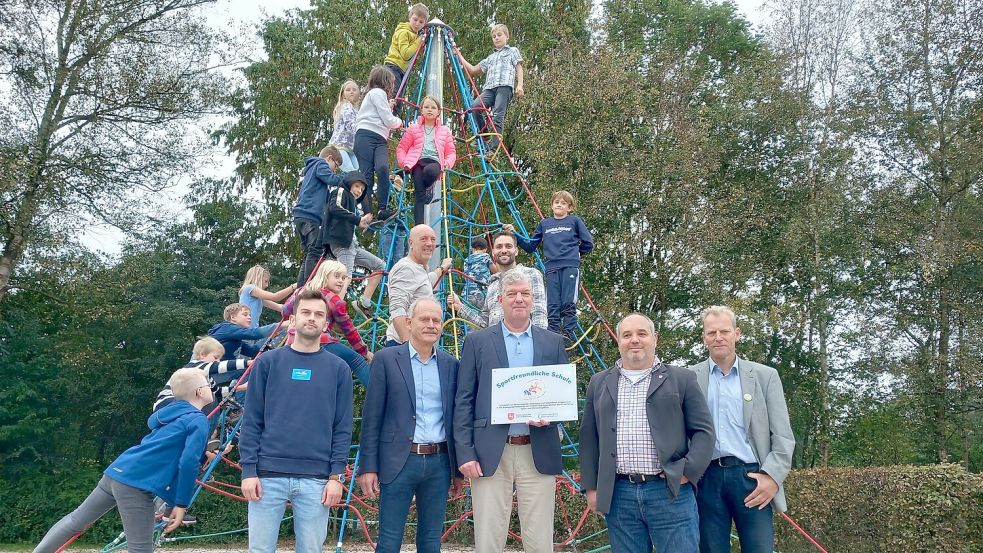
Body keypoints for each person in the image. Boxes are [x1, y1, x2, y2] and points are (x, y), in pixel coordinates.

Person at [34, 368, 212, 553]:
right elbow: (188, 462)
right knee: (140, 549)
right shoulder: (198, 419)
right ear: (199, 391)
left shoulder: (172, 415)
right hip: (136, 484)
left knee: (75, 521)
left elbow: (170, 447)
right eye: (208, 385)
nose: (211, 388)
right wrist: (181, 503)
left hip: (117, 471)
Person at [579, 313, 715, 553]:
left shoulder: (682, 379)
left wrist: (687, 471)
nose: (635, 340)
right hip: (619, 494)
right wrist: (591, 488)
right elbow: (589, 438)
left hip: (669, 492)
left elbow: (704, 432)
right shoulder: (598, 383)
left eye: (642, 334)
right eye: (627, 335)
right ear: (618, 340)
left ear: (655, 338)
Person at [453, 270, 568, 553]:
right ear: (500, 300)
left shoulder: (552, 342)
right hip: (490, 451)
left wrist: (552, 417)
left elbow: (562, 397)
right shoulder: (477, 342)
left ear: (533, 300)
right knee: (489, 539)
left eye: (525, 294)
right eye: (513, 294)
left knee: (540, 540)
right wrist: (465, 452)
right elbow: (463, 400)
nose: (519, 299)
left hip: (538, 448)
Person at [239, 289, 354, 553]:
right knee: (259, 550)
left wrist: (336, 477)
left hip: (317, 479)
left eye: (318, 314)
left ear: (326, 323)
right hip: (267, 476)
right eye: (305, 312)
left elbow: (342, 427)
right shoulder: (268, 363)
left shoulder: (339, 370)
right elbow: (252, 421)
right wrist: (249, 471)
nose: (311, 318)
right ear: (293, 318)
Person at [358, 298, 463, 553]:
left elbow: (457, 420)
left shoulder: (452, 365)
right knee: (389, 541)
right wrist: (368, 467)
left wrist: (457, 470)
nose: (430, 325)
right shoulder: (386, 359)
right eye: (424, 319)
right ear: (409, 322)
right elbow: (372, 417)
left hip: (439, 463)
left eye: (436, 320)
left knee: (430, 542)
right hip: (398, 461)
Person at [688, 306, 795, 553]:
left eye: (724, 331)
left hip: (753, 479)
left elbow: (783, 436)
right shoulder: (688, 378)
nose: (718, 337)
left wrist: (772, 478)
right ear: (704, 337)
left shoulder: (765, 376)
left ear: (737, 333)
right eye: (711, 332)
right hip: (707, 480)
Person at [504, 190, 593, 339]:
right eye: (556, 202)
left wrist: (575, 254)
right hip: (552, 267)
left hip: (569, 265)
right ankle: (553, 333)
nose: (559, 205)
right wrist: (515, 235)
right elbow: (531, 246)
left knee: (568, 301)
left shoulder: (574, 221)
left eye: (563, 203)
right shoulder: (545, 224)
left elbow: (588, 243)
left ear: (569, 208)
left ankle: (568, 332)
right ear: (551, 205)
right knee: (553, 303)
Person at [283, 260, 373, 388]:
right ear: (325, 276)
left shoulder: (302, 292)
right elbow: (349, 330)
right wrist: (364, 351)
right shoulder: (334, 300)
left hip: (294, 341)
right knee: (358, 362)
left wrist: (297, 297)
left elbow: (285, 311)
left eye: (343, 278)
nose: (341, 281)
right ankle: (379, 396)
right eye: (336, 276)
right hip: (321, 341)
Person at [448, 232, 547, 329]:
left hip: (524, 342)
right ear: (493, 253)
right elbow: (484, 324)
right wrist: (459, 306)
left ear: (516, 251)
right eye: (499, 247)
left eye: (508, 246)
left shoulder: (531, 274)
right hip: (496, 343)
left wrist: (537, 342)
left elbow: (539, 314)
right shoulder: (492, 284)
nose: (504, 250)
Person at [320, 170, 382, 313]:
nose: (359, 191)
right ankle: (335, 310)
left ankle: (364, 302)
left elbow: (351, 217)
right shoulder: (340, 190)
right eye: (357, 186)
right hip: (342, 243)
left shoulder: (352, 204)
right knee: (345, 276)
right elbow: (335, 207)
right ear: (349, 183)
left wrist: (363, 220)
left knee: (380, 266)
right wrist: (358, 219)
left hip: (351, 246)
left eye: (362, 189)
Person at [457, 23, 524, 151]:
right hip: (490, 89)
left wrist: (520, 85)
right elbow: (472, 70)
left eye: (499, 35)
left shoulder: (512, 51)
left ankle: (493, 149)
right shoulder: (490, 58)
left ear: (507, 36)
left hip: (504, 87)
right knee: (475, 107)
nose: (496, 38)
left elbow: (518, 67)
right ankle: (484, 135)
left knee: (497, 115)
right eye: (494, 36)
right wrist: (459, 55)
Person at [385, 224, 452, 347]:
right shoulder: (406, 268)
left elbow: (425, 282)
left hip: (414, 345)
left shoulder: (417, 268)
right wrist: (407, 348)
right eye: (423, 239)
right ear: (411, 243)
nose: (429, 243)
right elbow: (397, 309)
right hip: (402, 343)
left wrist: (442, 268)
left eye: (432, 239)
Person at [396, 95, 457, 224]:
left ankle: (429, 187)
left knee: (431, 172)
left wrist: (447, 163)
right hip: (416, 163)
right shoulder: (413, 128)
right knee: (419, 196)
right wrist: (404, 162)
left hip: (434, 161)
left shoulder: (444, 131)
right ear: (421, 110)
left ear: (438, 112)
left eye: (433, 107)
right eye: (427, 107)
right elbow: (402, 147)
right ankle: (419, 227)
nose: (430, 110)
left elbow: (451, 152)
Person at [354, 65, 404, 221]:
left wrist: (388, 108)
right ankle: (368, 213)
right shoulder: (377, 92)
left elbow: (381, 113)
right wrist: (400, 122)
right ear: (386, 81)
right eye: (391, 82)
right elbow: (388, 120)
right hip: (366, 135)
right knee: (367, 176)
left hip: (379, 139)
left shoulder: (376, 96)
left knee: (382, 168)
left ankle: (382, 209)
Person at [153, 337, 248, 412]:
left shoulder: (205, 378)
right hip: (167, 401)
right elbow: (219, 367)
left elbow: (218, 392)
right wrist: (247, 363)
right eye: (215, 357)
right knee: (203, 408)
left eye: (219, 359)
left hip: (174, 406)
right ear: (203, 354)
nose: (217, 361)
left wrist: (241, 387)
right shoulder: (194, 366)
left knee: (209, 398)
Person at [294, 145, 344, 288]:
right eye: (336, 165)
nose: (335, 169)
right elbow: (331, 178)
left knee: (309, 253)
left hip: (301, 216)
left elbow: (326, 197)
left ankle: (301, 288)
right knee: (316, 250)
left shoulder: (311, 171)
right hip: (309, 216)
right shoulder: (320, 164)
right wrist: (346, 178)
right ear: (329, 158)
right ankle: (309, 288)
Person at [239, 265, 295, 346]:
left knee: (284, 328)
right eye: (265, 281)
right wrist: (293, 287)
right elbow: (275, 297)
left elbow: (281, 308)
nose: (267, 285)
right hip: (247, 333)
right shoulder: (249, 288)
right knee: (282, 327)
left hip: (253, 333)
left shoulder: (258, 297)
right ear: (258, 277)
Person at [383, 3, 428, 88]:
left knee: (398, 96)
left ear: (424, 24)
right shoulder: (404, 32)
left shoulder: (413, 35)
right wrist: (419, 41)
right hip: (393, 67)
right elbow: (406, 54)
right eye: (415, 19)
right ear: (409, 18)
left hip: (400, 69)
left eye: (421, 22)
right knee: (394, 95)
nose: (417, 24)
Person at [329, 79, 361, 171]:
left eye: (354, 90)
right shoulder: (346, 106)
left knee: (358, 171)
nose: (351, 91)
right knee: (351, 171)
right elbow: (349, 124)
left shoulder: (356, 110)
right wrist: (362, 133)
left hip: (350, 148)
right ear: (343, 94)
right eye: (348, 90)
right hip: (340, 146)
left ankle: (350, 184)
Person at [461, 235, 493, 306]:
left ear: (472, 248)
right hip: (482, 291)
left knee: (469, 311)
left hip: (467, 292)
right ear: (485, 249)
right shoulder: (485, 256)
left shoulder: (466, 260)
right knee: (482, 313)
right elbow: (495, 270)